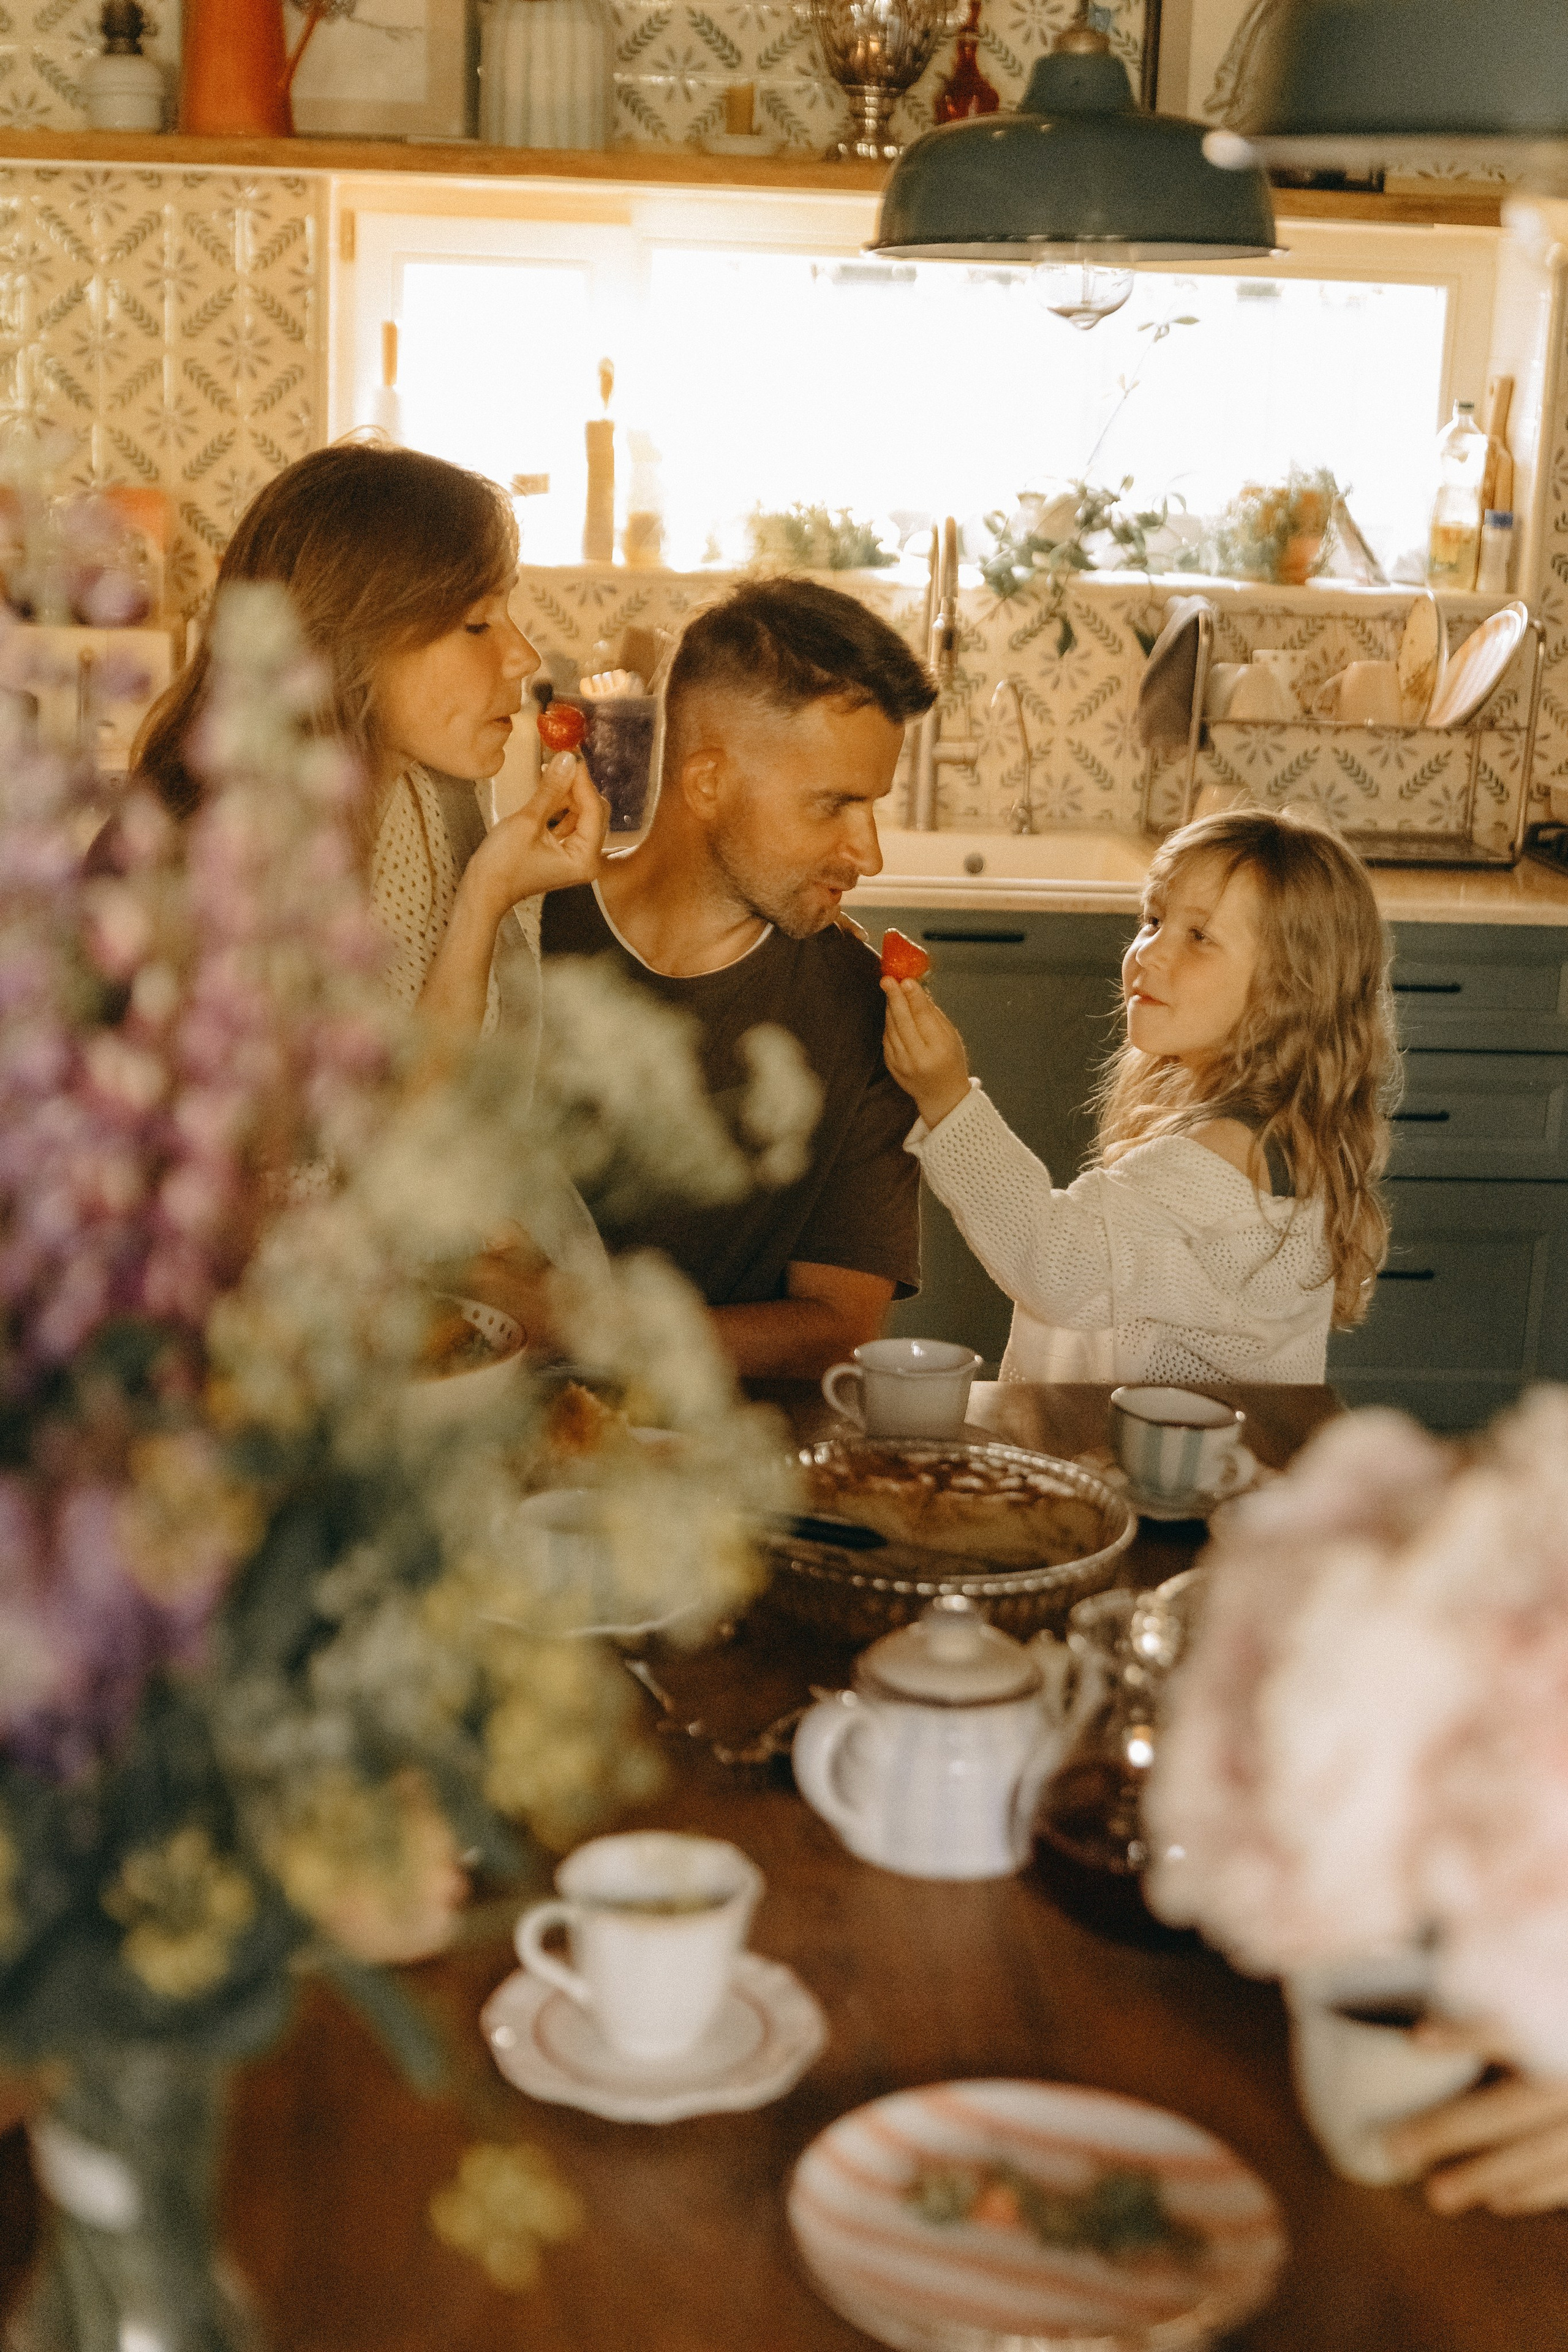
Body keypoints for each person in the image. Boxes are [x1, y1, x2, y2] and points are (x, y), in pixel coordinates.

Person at [540, 577, 937, 1381]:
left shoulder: (870, 1012)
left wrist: (566, 1322)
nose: (868, 855)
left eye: (872, 808)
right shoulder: (523, 929)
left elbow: (837, 1328)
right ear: (708, 784)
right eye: (832, 805)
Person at [881, 805, 1396, 1384]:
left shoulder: (1225, 1154)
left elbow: (1055, 1262)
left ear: (1289, 989)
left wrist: (947, 1100)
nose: (1147, 953)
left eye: (1199, 937)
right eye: (1153, 920)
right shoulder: (1274, 1132)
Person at [132, 442, 607, 1041]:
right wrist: (486, 897)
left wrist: (491, 889)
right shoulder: (227, 871)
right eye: (477, 624)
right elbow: (387, 1104)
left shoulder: (438, 792)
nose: (524, 657)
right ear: (352, 644)